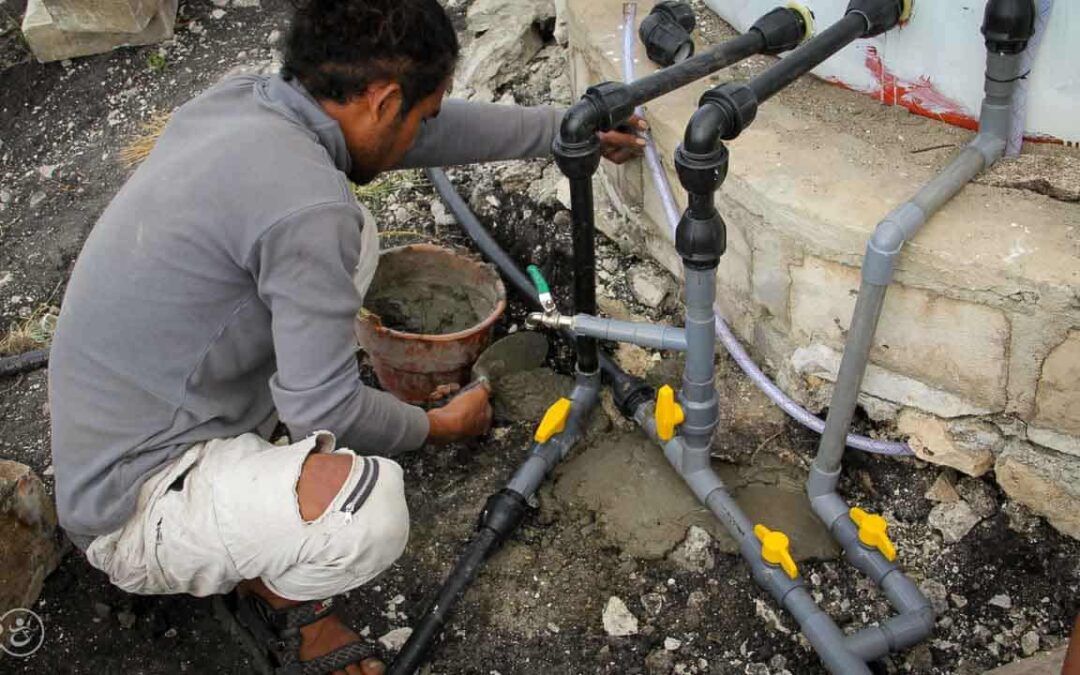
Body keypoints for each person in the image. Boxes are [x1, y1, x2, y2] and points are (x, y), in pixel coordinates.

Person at [47, 0, 643, 672]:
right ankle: (284, 601)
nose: (427, 128)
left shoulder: (251, 103)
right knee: (369, 510)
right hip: (132, 505)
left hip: (127, 416)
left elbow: (412, 137)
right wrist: (437, 424)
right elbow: (323, 410)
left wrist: (561, 130)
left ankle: (256, 476)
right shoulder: (306, 207)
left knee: (353, 240)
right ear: (383, 100)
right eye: (424, 112)